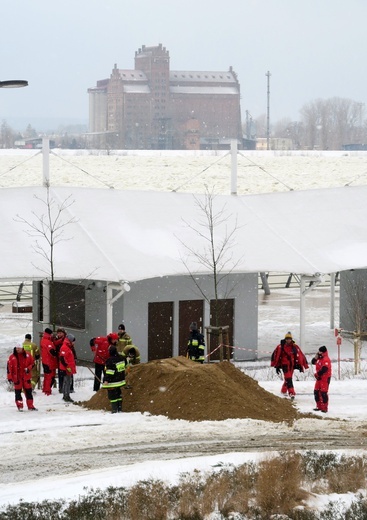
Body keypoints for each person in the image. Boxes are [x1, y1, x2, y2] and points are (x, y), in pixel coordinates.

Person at [271, 331, 309, 399]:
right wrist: (276, 365)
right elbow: (275, 355)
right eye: (287, 339)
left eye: (289, 339)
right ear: (285, 339)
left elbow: (300, 355)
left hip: (292, 365)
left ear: (291, 339)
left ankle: (283, 390)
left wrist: (302, 365)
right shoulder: (280, 347)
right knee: (288, 378)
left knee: (288, 379)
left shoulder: (294, 347)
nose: (288, 340)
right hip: (284, 365)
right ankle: (291, 392)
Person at [7, 343, 37, 411]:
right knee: (18, 393)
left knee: (29, 392)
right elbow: (9, 368)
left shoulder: (28, 355)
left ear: (22, 348)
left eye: (19, 348)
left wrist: (28, 368)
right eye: (17, 348)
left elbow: (33, 364)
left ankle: (30, 406)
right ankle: (20, 406)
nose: (18, 349)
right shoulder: (12, 357)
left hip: (26, 377)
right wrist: (10, 377)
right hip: (17, 378)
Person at [102, 344, 126, 413]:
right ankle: (119, 409)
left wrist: (106, 380)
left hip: (112, 383)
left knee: (112, 397)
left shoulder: (110, 361)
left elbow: (110, 372)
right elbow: (125, 364)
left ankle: (114, 410)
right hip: (120, 381)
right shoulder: (122, 358)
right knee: (118, 395)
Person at [312, 345, 332, 413]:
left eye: (320, 351)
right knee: (316, 392)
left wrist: (318, 374)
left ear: (323, 352)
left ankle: (324, 408)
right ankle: (319, 406)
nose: (319, 352)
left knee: (323, 393)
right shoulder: (319, 358)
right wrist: (316, 357)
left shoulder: (326, 359)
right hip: (319, 378)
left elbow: (325, 369)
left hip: (325, 378)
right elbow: (313, 362)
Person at [59, 334, 77, 403]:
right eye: (73, 341)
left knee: (68, 382)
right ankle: (66, 396)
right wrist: (67, 367)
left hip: (68, 368)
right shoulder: (65, 347)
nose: (74, 343)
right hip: (66, 368)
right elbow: (62, 358)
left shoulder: (68, 347)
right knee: (67, 382)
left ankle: (66, 395)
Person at [40, 327, 58, 395]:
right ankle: (47, 391)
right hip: (49, 362)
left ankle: (45, 389)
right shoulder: (48, 342)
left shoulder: (43, 340)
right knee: (49, 377)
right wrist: (57, 353)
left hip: (45, 361)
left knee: (47, 376)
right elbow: (52, 351)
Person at [52, 327, 67, 393]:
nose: (59, 334)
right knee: (61, 373)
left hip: (64, 358)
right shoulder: (56, 340)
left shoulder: (65, 340)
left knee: (65, 373)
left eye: (60, 333)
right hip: (59, 358)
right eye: (58, 333)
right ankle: (61, 387)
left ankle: (65, 387)